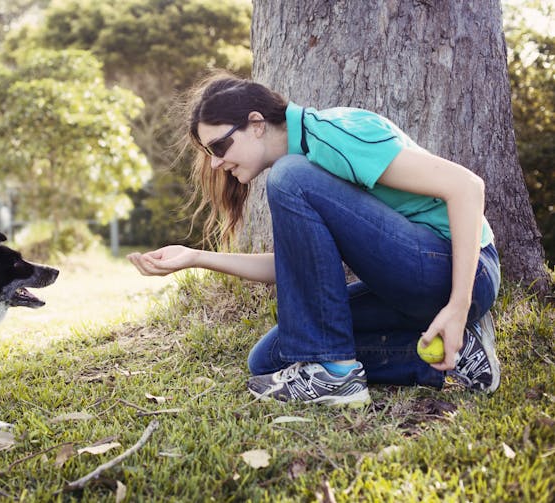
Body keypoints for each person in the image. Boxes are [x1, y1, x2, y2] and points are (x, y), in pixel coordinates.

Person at [128, 71, 501, 406]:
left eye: (219, 147)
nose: (214, 163)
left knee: (289, 176)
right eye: (209, 153)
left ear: (256, 124)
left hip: (456, 271)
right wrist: (195, 257)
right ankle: (463, 351)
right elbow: (295, 269)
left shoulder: (330, 136)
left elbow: (467, 187)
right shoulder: (307, 163)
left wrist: (457, 304)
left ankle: (338, 376)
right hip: (413, 281)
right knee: (274, 356)